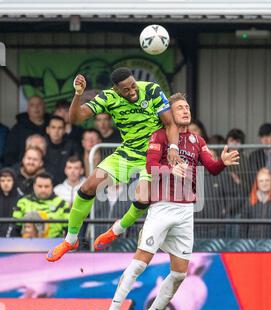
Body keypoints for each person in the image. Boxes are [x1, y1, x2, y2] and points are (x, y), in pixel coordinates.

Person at [98, 92, 239, 310]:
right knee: (140, 264)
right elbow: (150, 166)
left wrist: (223, 162)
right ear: (170, 114)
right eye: (180, 108)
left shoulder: (197, 140)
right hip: (162, 207)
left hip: (186, 213)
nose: (186, 110)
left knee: (180, 275)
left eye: (187, 106)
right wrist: (170, 169)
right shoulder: (160, 136)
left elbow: (212, 168)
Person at [46, 67, 181, 262]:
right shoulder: (108, 97)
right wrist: (78, 94)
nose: (132, 91)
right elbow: (75, 118)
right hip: (128, 153)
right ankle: (71, 239)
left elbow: (169, 124)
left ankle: (116, 229)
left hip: (154, 153)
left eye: (133, 85)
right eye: (126, 89)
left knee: (143, 196)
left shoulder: (151, 90)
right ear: (116, 90)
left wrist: (173, 147)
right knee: (87, 187)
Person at [13, 173, 70, 238]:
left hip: (55, 244)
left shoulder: (62, 204)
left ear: (52, 186)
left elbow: (68, 229)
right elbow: (15, 228)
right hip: (27, 245)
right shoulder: (23, 202)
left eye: (46, 186)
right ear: (34, 186)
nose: (43, 190)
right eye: (40, 186)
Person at [240, 168, 271, 239]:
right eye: (261, 181)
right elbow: (243, 226)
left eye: (267, 180)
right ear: (257, 184)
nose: (264, 183)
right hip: (253, 243)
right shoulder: (250, 201)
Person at [4, 96, 49, 166]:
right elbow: (10, 155)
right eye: (32, 105)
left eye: (39, 104)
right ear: (27, 109)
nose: (36, 107)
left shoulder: (53, 126)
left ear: (44, 107)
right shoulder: (17, 129)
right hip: (23, 170)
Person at [44, 115, 81, 185]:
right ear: (47, 130)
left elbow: (78, 166)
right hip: (45, 184)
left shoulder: (72, 145)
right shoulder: (41, 144)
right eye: (53, 127)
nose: (56, 131)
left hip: (66, 185)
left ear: (64, 130)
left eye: (60, 128)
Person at [0, 168, 22, 237]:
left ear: (14, 181)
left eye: (9, 180)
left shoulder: (21, 199)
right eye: (2, 180)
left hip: (14, 234)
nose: (5, 183)